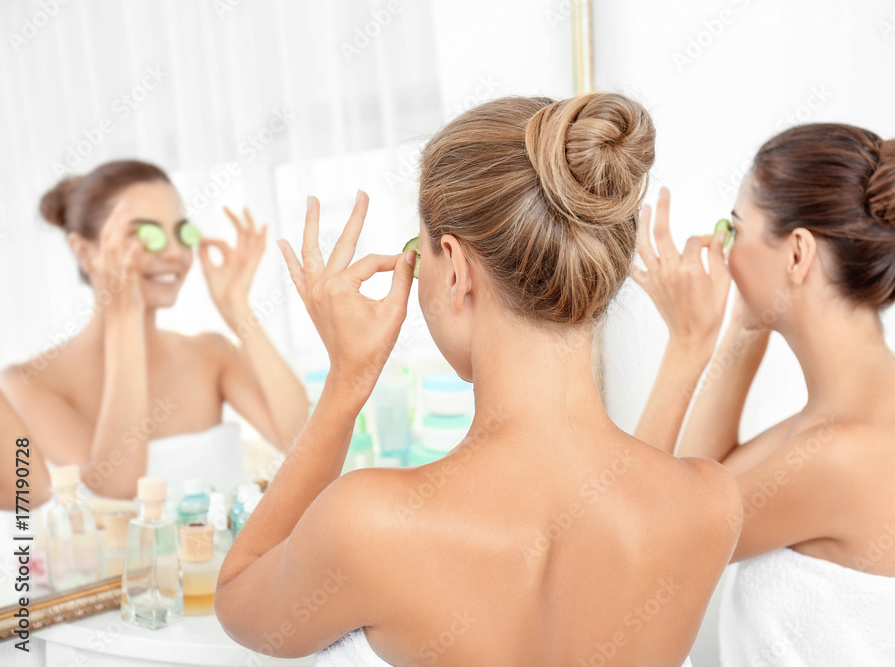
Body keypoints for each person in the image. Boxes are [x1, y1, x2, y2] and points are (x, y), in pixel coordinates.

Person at [214, 93, 741, 666]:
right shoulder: (708, 505)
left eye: (422, 257)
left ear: (456, 268)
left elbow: (239, 598)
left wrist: (348, 383)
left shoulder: (369, 523)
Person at [634, 123, 895, 665]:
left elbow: (636, 548)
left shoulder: (846, 457)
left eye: (736, 230)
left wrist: (688, 343)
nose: (726, 250)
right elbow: (703, 478)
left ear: (797, 253)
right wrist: (743, 330)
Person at [0, 160, 309, 499]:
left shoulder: (212, 353)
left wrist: (237, 306)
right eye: (146, 235)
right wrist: (124, 318)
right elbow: (117, 489)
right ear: (85, 252)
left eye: (181, 232)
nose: (175, 252)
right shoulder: (28, 382)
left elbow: (304, 442)